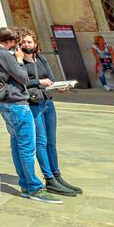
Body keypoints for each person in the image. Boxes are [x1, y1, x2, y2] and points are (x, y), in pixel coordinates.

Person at [0, 26, 60, 204]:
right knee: (27, 147)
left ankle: (25, 185)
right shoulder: (3, 55)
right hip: (17, 105)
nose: (19, 47)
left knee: (17, 145)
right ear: (11, 41)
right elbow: (23, 78)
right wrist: (18, 61)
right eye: (17, 43)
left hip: (5, 104)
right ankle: (34, 187)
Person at [20, 31, 80, 196]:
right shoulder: (19, 63)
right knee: (41, 141)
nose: (26, 45)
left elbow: (51, 79)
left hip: (48, 103)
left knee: (51, 142)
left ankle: (57, 175)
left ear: (35, 44)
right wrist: (38, 82)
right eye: (24, 42)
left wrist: (59, 86)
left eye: (29, 42)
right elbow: (21, 82)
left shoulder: (41, 59)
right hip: (34, 104)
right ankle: (49, 178)